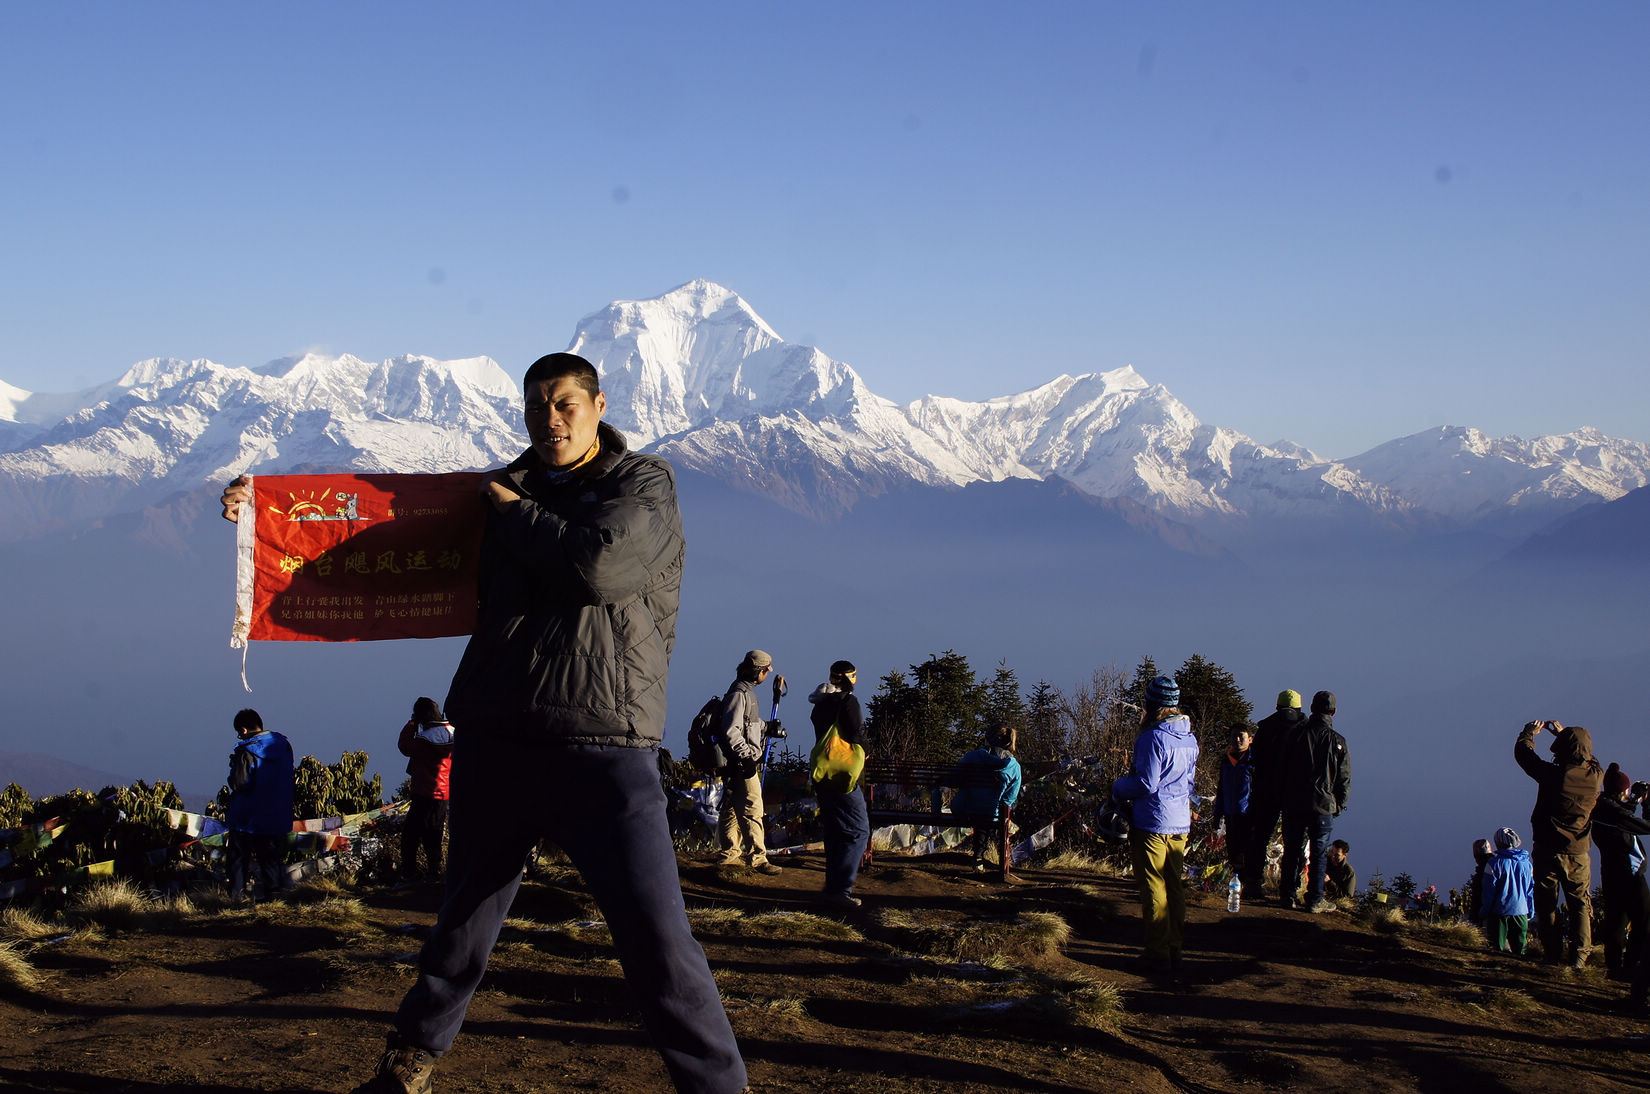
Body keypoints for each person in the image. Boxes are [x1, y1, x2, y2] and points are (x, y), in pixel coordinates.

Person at [229, 352, 746, 1094]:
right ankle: (407, 1065)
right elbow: (394, 532)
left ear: (600, 404)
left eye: (566, 402)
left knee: (657, 937)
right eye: (538, 405)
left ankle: (719, 1088)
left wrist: (512, 511)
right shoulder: (506, 486)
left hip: (604, 738)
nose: (551, 418)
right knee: (462, 919)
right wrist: (266, 509)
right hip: (499, 730)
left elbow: (600, 569)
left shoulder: (641, 483)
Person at [1111, 675, 1199, 973]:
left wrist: (1118, 787)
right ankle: (1175, 947)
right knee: (1175, 886)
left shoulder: (1152, 738)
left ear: (1152, 704)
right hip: (1180, 822)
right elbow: (1189, 783)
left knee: (1153, 885)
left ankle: (1156, 951)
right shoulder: (1189, 738)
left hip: (1152, 820)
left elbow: (1146, 783)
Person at [1515, 719, 1603, 970]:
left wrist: (1529, 734)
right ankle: (1579, 957)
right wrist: (1566, 735)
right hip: (1578, 852)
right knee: (1580, 904)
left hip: (1547, 848)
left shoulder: (1553, 776)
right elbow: (1591, 759)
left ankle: (1552, 954)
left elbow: (1525, 757)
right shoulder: (1595, 777)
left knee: (1547, 903)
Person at [1276, 690, 1349, 913]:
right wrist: (1338, 805)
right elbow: (1343, 779)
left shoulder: (1296, 735)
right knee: (1318, 854)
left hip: (1294, 802)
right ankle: (1315, 899)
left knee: (1292, 850)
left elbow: (1282, 769)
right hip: (1323, 805)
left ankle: (1287, 896)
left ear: (1311, 708)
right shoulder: (1338, 741)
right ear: (1334, 712)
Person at [808, 660, 869, 910]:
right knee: (857, 830)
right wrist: (866, 748)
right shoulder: (847, 702)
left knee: (834, 830)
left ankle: (833, 888)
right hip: (842, 774)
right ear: (851, 678)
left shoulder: (819, 704)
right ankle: (841, 889)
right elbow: (856, 732)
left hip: (822, 771)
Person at [715, 650, 783, 875]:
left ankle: (729, 854)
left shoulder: (745, 692)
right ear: (759, 671)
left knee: (732, 809)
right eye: (765, 671)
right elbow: (731, 730)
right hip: (742, 761)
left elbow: (748, 723)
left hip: (737, 760)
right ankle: (758, 857)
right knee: (753, 807)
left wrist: (767, 727)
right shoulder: (739, 693)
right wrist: (745, 756)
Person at [223, 708, 295, 905]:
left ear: (243, 730)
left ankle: (236, 898)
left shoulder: (247, 750)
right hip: (276, 812)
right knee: (270, 857)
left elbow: (240, 783)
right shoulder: (283, 746)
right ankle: (274, 896)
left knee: (238, 859)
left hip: (247, 815)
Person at [1241, 690, 1305, 901]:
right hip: (1293, 792)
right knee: (1293, 842)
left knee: (1260, 838)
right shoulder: (1303, 728)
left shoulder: (1266, 727)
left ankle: (1252, 883)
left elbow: (1255, 759)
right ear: (1298, 707)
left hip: (1265, 792)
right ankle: (1290, 890)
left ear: (1277, 707)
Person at [1590, 763, 1650, 981]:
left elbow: (1622, 815)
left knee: (1616, 920)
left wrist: (1634, 800)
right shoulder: (1616, 814)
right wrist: (1647, 803)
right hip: (1630, 874)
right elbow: (1644, 825)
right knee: (1643, 921)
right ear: (1621, 790)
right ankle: (1632, 966)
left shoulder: (1600, 808)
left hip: (1611, 871)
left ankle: (1614, 968)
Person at [953, 723, 1024, 884]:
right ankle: (980, 857)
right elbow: (1010, 798)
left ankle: (978, 856)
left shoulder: (972, 757)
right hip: (993, 814)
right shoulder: (1014, 766)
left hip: (965, 809)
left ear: (987, 740)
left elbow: (954, 778)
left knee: (980, 808)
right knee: (991, 810)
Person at [397, 697, 455, 884]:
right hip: (444, 792)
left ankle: (409, 874)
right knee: (434, 833)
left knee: (410, 836)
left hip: (424, 791)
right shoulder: (453, 734)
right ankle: (434, 872)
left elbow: (405, 746)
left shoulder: (425, 739)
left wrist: (412, 723)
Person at [1482, 827, 1535, 954]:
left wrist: (1484, 912)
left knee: (1497, 949)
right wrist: (1530, 910)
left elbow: (1489, 892)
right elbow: (1530, 890)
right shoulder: (1527, 864)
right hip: (1521, 912)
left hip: (1499, 913)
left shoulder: (1493, 864)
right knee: (1520, 950)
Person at [1217, 722, 1254, 879]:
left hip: (1249, 815)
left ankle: (1249, 883)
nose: (1237, 739)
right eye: (1233, 736)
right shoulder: (1226, 761)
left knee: (1248, 853)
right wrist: (1217, 815)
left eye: (1241, 736)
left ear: (1250, 739)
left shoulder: (1254, 762)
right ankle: (1237, 884)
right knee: (1233, 852)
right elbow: (1221, 790)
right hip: (1230, 814)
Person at [1467, 838, 1495, 926]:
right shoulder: (1499, 866)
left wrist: (1475, 916)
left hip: (1489, 916)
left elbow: (1478, 896)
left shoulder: (1482, 873)